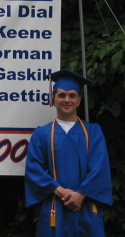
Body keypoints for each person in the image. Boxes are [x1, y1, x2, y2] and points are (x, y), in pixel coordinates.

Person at [25, 69, 112, 237]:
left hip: (86, 207)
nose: (67, 100)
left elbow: (100, 168)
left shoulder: (92, 132)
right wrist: (60, 191)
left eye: (72, 96)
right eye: (62, 95)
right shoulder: (42, 134)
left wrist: (81, 194)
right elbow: (34, 170)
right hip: (54, 207)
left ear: (79, 100)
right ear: (53, 99)